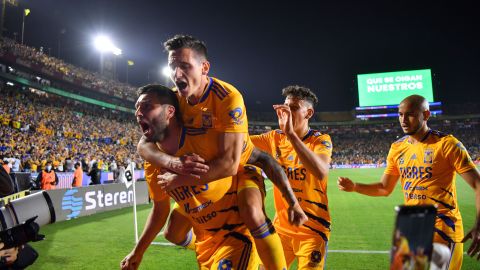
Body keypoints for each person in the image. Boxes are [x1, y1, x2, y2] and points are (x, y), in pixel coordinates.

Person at [134, 35, 306, 269]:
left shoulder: (227, 98)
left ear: (204, 67)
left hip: (240, 169)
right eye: (173, 67)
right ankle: (211, 242)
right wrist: (173, 164)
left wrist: (180, 178)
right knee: (172, 232)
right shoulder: (175, 100)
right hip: (205, 175)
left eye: (184, 66)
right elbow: (144, 144)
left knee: (252, 213)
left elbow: (232, 164)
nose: (177, 74)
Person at [122, 85, 262, 269]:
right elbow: (159, 210)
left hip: (235, 231)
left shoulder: (205, 139)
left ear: (170, 111)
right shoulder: (152, 162)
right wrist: (137, 251)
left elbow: (255, 158)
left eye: (146, 106)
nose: (138, 113)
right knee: (171, 232)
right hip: (205, 243)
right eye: (137, 107)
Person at [337, 94, 480, 269]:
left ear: (426, 115)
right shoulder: (397, 148)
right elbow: (384, 188)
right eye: (400, 114)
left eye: (410, 114)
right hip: (411, 226)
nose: (403, 119)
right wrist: (354, 187)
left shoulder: (447, 144)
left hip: (442, 225)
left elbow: (478, 185)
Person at [251, 85, 332, 269]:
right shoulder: (274, 138)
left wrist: (291, 135)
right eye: (285, 106)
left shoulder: (320, 140)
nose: (287, 111)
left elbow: (321, 171)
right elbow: (239, 141)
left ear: (308, 113)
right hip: (282, 230)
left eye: (294, 108)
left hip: (312, 231)